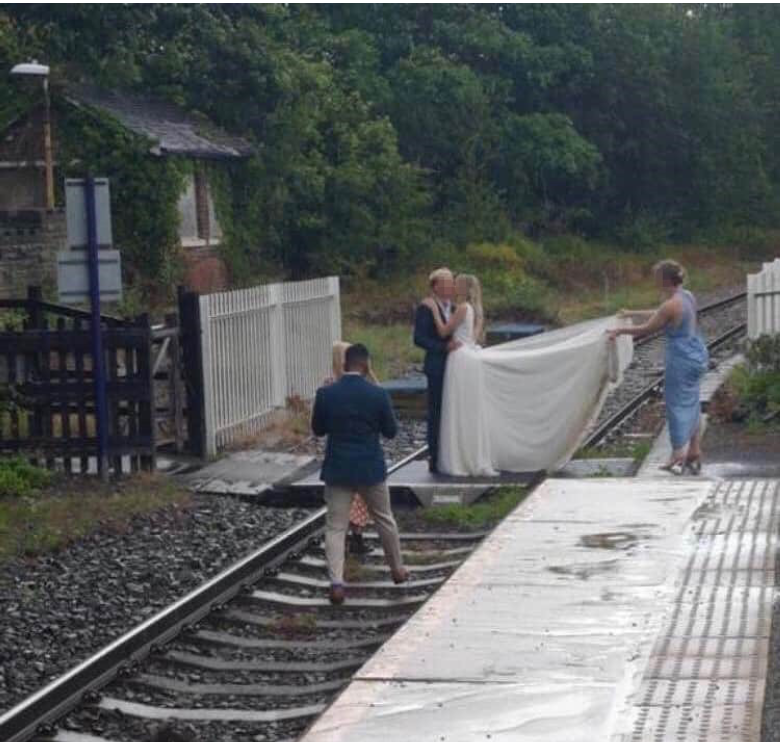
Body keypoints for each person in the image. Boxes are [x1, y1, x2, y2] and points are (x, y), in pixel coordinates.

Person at [311, 343, 409, 605]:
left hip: (338, 468)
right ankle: (397, 570)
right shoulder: (377, 395)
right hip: (370, 468)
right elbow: (390, 432)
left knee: (335, 526)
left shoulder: (326, 394)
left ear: (344, 364)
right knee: (384, 519)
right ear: (366, 365)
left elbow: (318, 429)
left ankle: (337, 583)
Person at [607, 259, 708, 474]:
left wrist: (620, 332)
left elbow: (648, 328)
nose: (655, 281)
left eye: (657, 277)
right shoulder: (687, 296)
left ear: (664, 279)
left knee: (676, 405)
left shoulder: (670, 304)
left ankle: (677, 453)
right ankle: (694, 449)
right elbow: (659, 313)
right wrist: (632, 313)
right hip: (697, 353)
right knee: (691, 402)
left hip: (681, 358)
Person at [423, 274, 495, 476]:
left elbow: (445, 331)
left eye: (456, 284)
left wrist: (434, 310)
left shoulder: (462, 308)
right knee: (465, 408)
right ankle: (467, 455)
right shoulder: (471, 309)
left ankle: (457, 457)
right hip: (467, 355)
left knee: (455, 407)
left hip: (458, 358)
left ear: (463, 288)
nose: (453, 286)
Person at [327, 341, 376, 557]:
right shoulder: (364, 385)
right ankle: (355, 536)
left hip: (339, 453)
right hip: (361, 452)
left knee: (347, 499)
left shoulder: (330, 387)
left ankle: (351, 537)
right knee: (358, 497)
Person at [414, 267, 461, 473]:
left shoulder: (457, 307)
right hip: (437, 366)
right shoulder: (426, 308)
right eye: (445, 283)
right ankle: (435, 455)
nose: (450, 287)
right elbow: (419, 338)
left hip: (458, 366)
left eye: (451, 283)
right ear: (435, 287)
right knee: (437, 410)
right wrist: (442, 347)